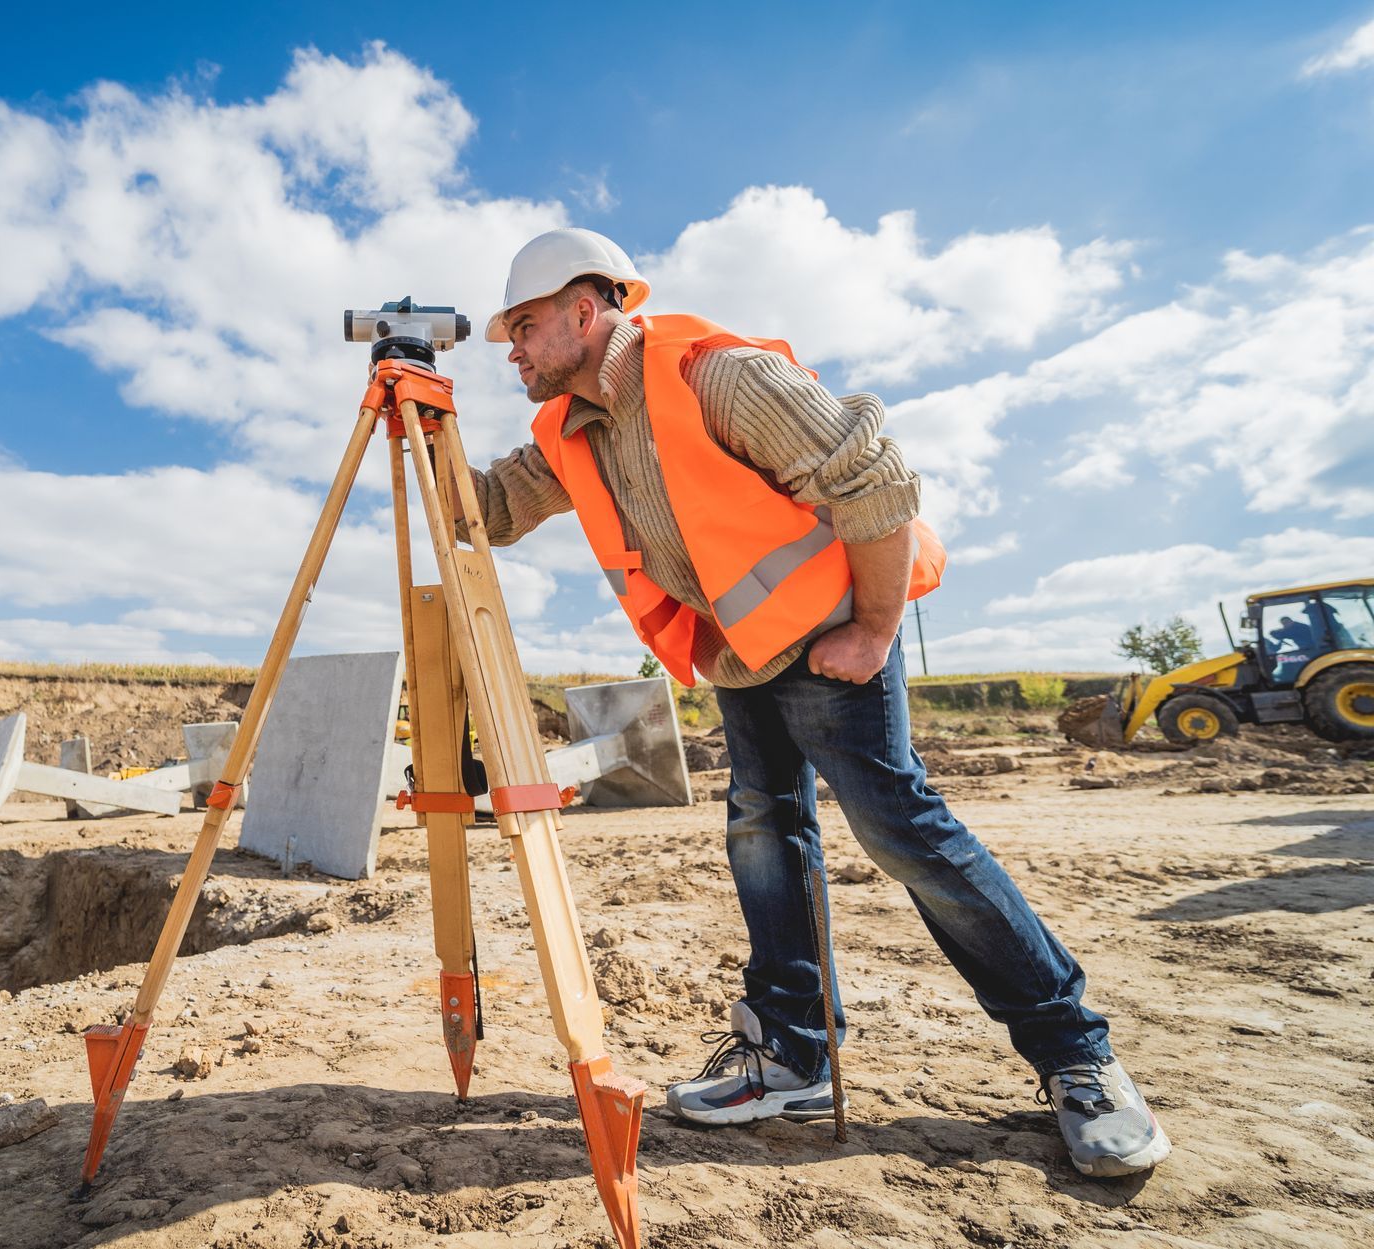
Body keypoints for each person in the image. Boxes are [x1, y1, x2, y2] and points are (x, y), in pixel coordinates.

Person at [466, 227, 1171, 1179]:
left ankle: (1077, 1055)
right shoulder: (571, 428)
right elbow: (492, 510)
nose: (511, 348)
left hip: (837, 640)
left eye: (523, 326)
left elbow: (874, 475)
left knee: (902, 833)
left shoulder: (714, 375)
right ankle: (790, 1053)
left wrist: (875, 629)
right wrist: (414, 419)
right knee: (763, 829)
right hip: (744, 660)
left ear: (584, 312)